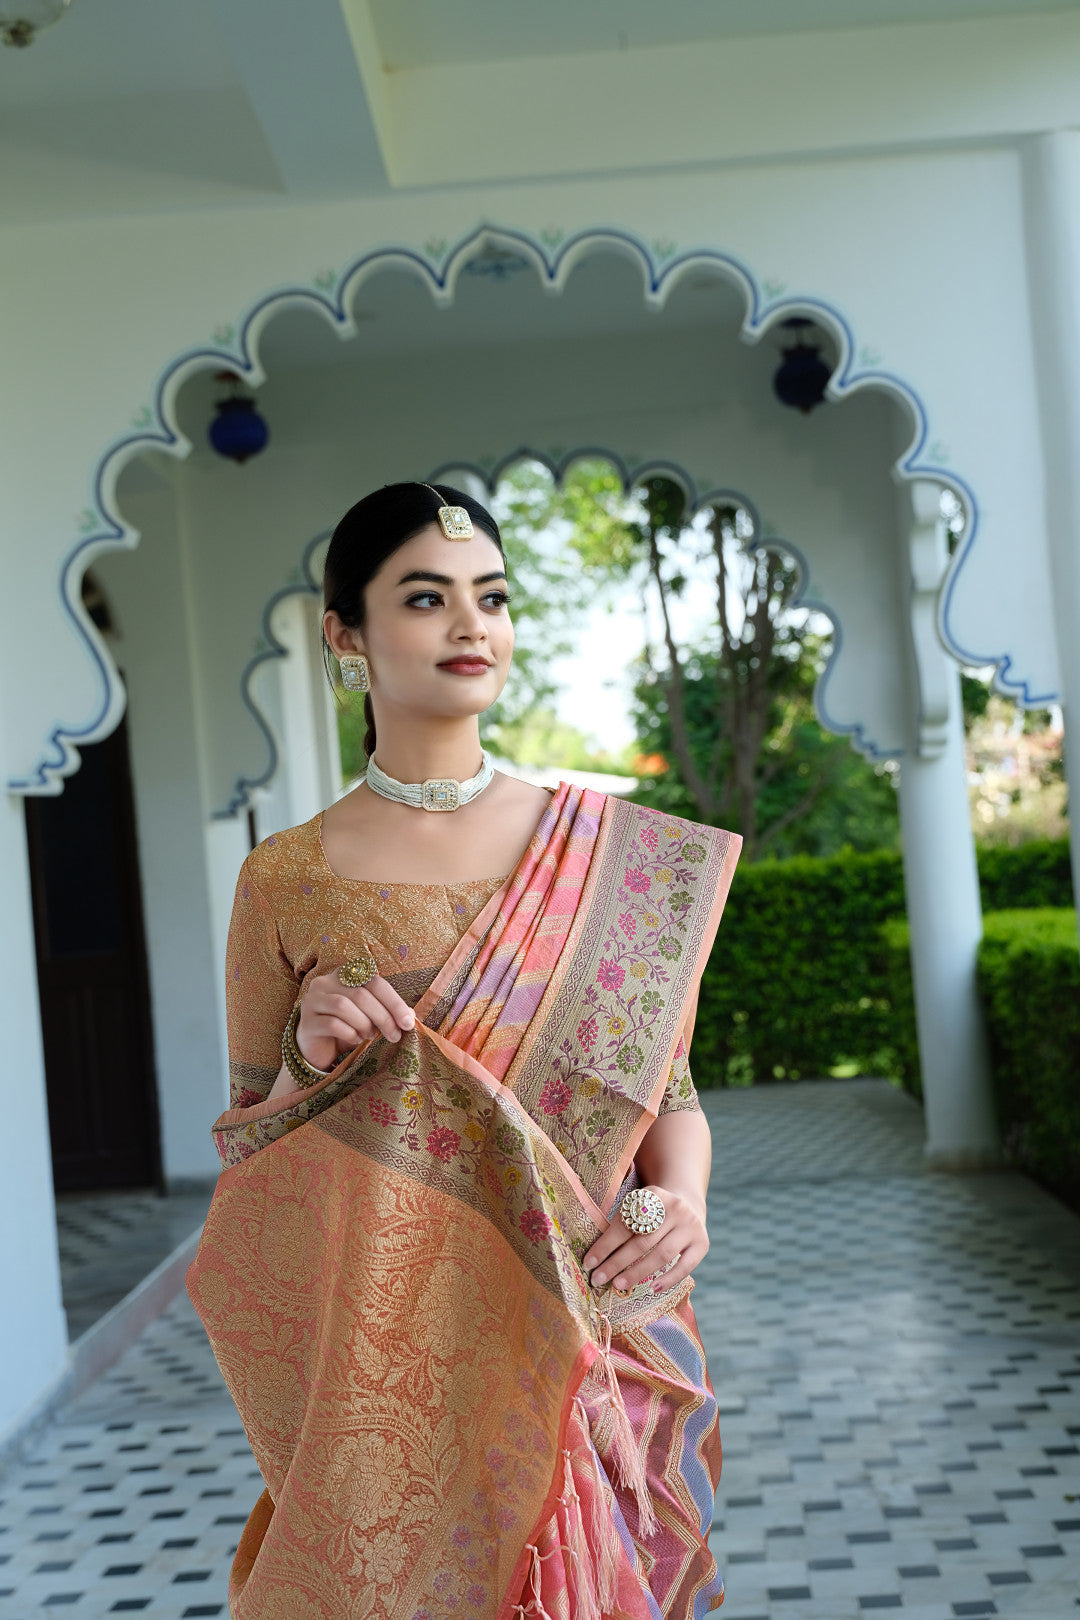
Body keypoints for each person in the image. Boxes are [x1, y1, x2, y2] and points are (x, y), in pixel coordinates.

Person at [188, 480, 742, 1620]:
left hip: (587, 1318)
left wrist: (681, 1203)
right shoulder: (286, 876)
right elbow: (251, 1140)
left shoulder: (610, 854)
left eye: (489, 597)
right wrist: (308, 1059)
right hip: (388, 1352)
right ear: (346, 634)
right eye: (426, 597)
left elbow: (665, 1093)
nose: (470, 626)